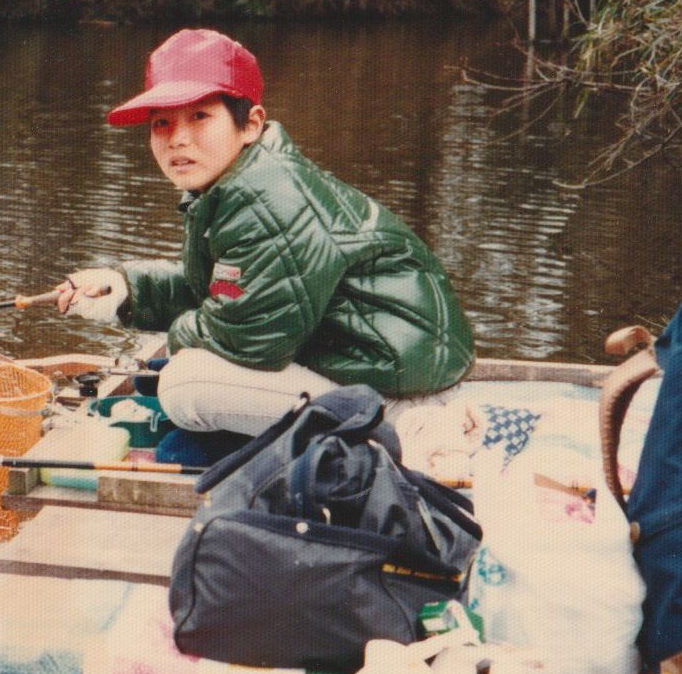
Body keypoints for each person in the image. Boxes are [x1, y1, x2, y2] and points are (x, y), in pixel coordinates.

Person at [56, 28, 475, 456]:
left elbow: (249, 339)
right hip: (376, 365)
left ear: (251, 124)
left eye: (199, 117)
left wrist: (180, 338)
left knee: (185, 384)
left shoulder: (267, 202)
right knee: (187, 366)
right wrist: (127, 291)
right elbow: (228, 291)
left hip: (403, 389)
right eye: (162, 122)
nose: (177, 138)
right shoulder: (240, 185)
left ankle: (405, 429)